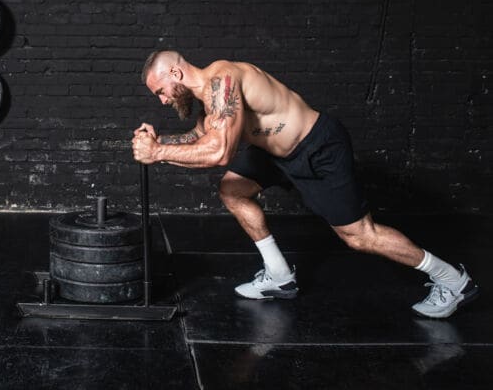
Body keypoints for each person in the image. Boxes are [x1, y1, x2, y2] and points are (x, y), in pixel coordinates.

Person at [131, 50, 479, 318]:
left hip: (317, 147)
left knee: (360, 237)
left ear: (175, 73)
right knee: (232, 191)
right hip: (277, 155)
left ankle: (453, 280)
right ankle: (280, 276)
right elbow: (199, 138)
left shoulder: (224, 78)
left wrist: (157, 153)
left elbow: (219, 151)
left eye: (161, 91)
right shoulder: (210, 105)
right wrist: (158, 143)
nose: (163, 100)